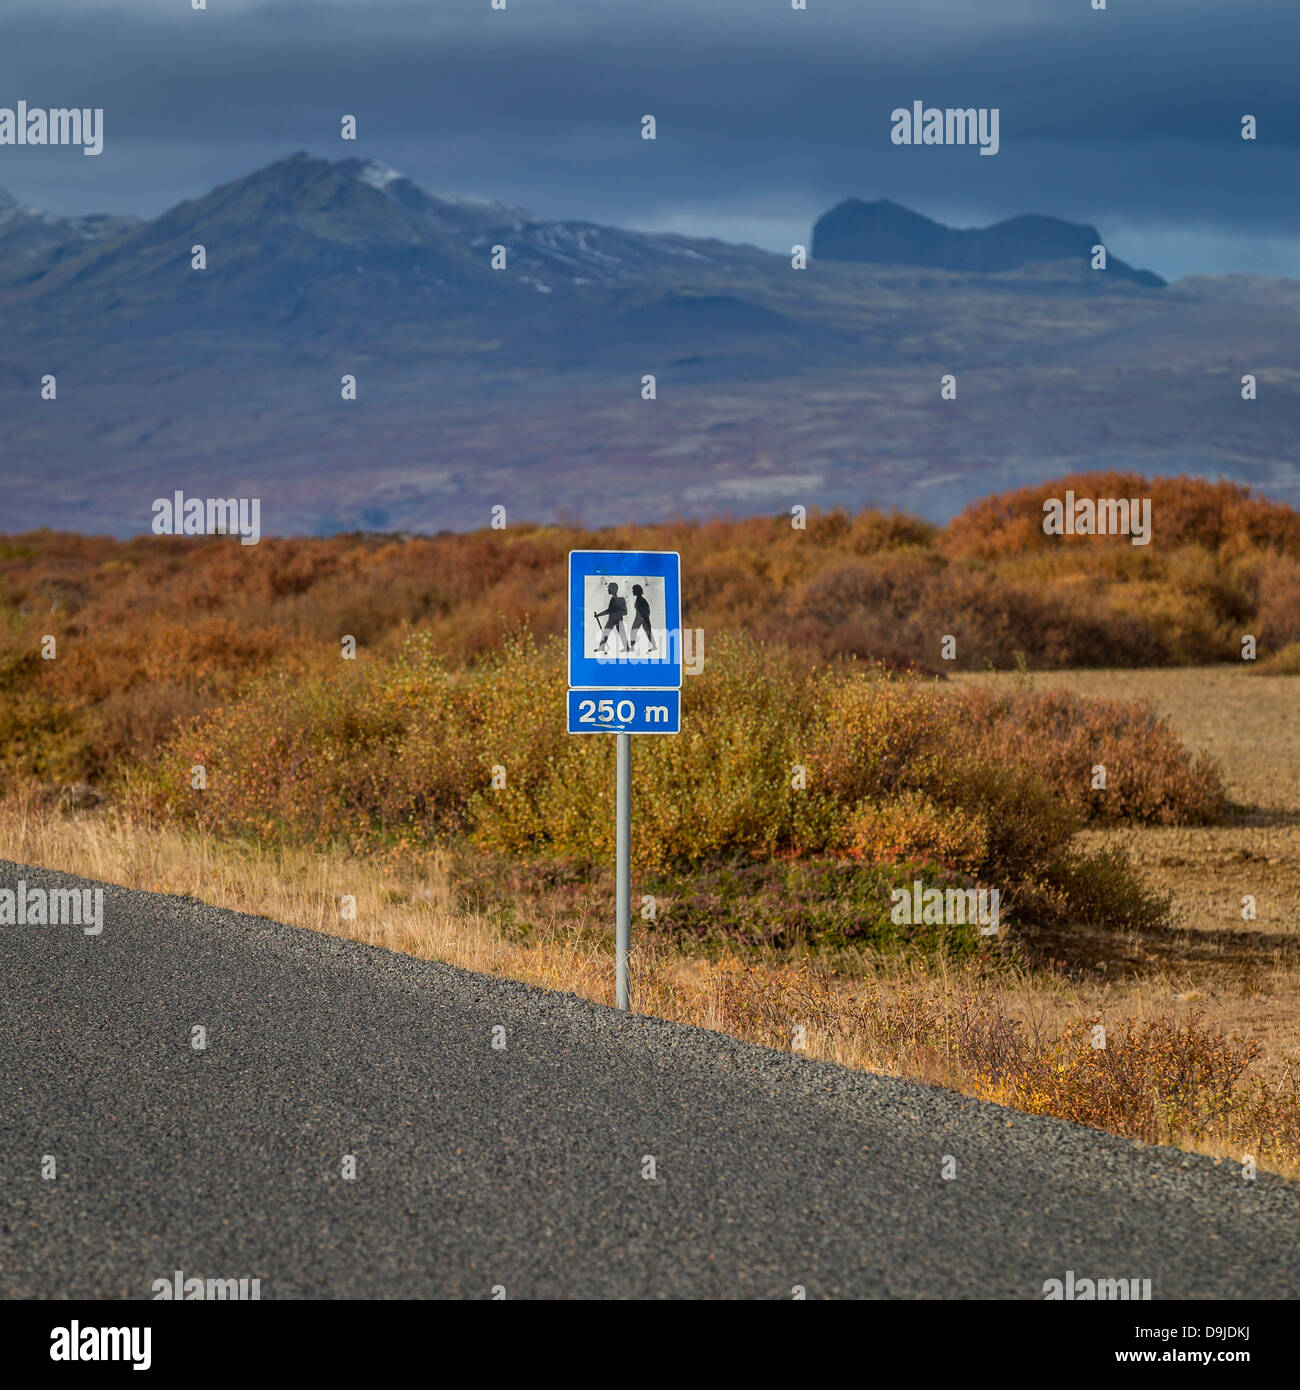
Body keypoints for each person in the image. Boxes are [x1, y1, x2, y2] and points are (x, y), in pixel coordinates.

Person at [594, 582, 629, 653]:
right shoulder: (612, 600)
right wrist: (598, 615)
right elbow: (608, 611)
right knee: (605, 633)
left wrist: (615, 613)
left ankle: (627, 648)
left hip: (618, 620)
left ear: (613, 589)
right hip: (611, 620)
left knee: (622, 634)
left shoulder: (622, 599)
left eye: (609, 588)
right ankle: (601, 647)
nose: (608, 590)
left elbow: (625, 612)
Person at [629, 583, 657, 652]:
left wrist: (643, 618)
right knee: (634, 632)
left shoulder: (641, 600)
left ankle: (654, 646)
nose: (632, 592)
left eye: (633, 590)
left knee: (647, 632)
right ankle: (632, 647)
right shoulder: (639, 599)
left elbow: (647, 610)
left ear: (637, 591)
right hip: (640, 619)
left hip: (642, 619)